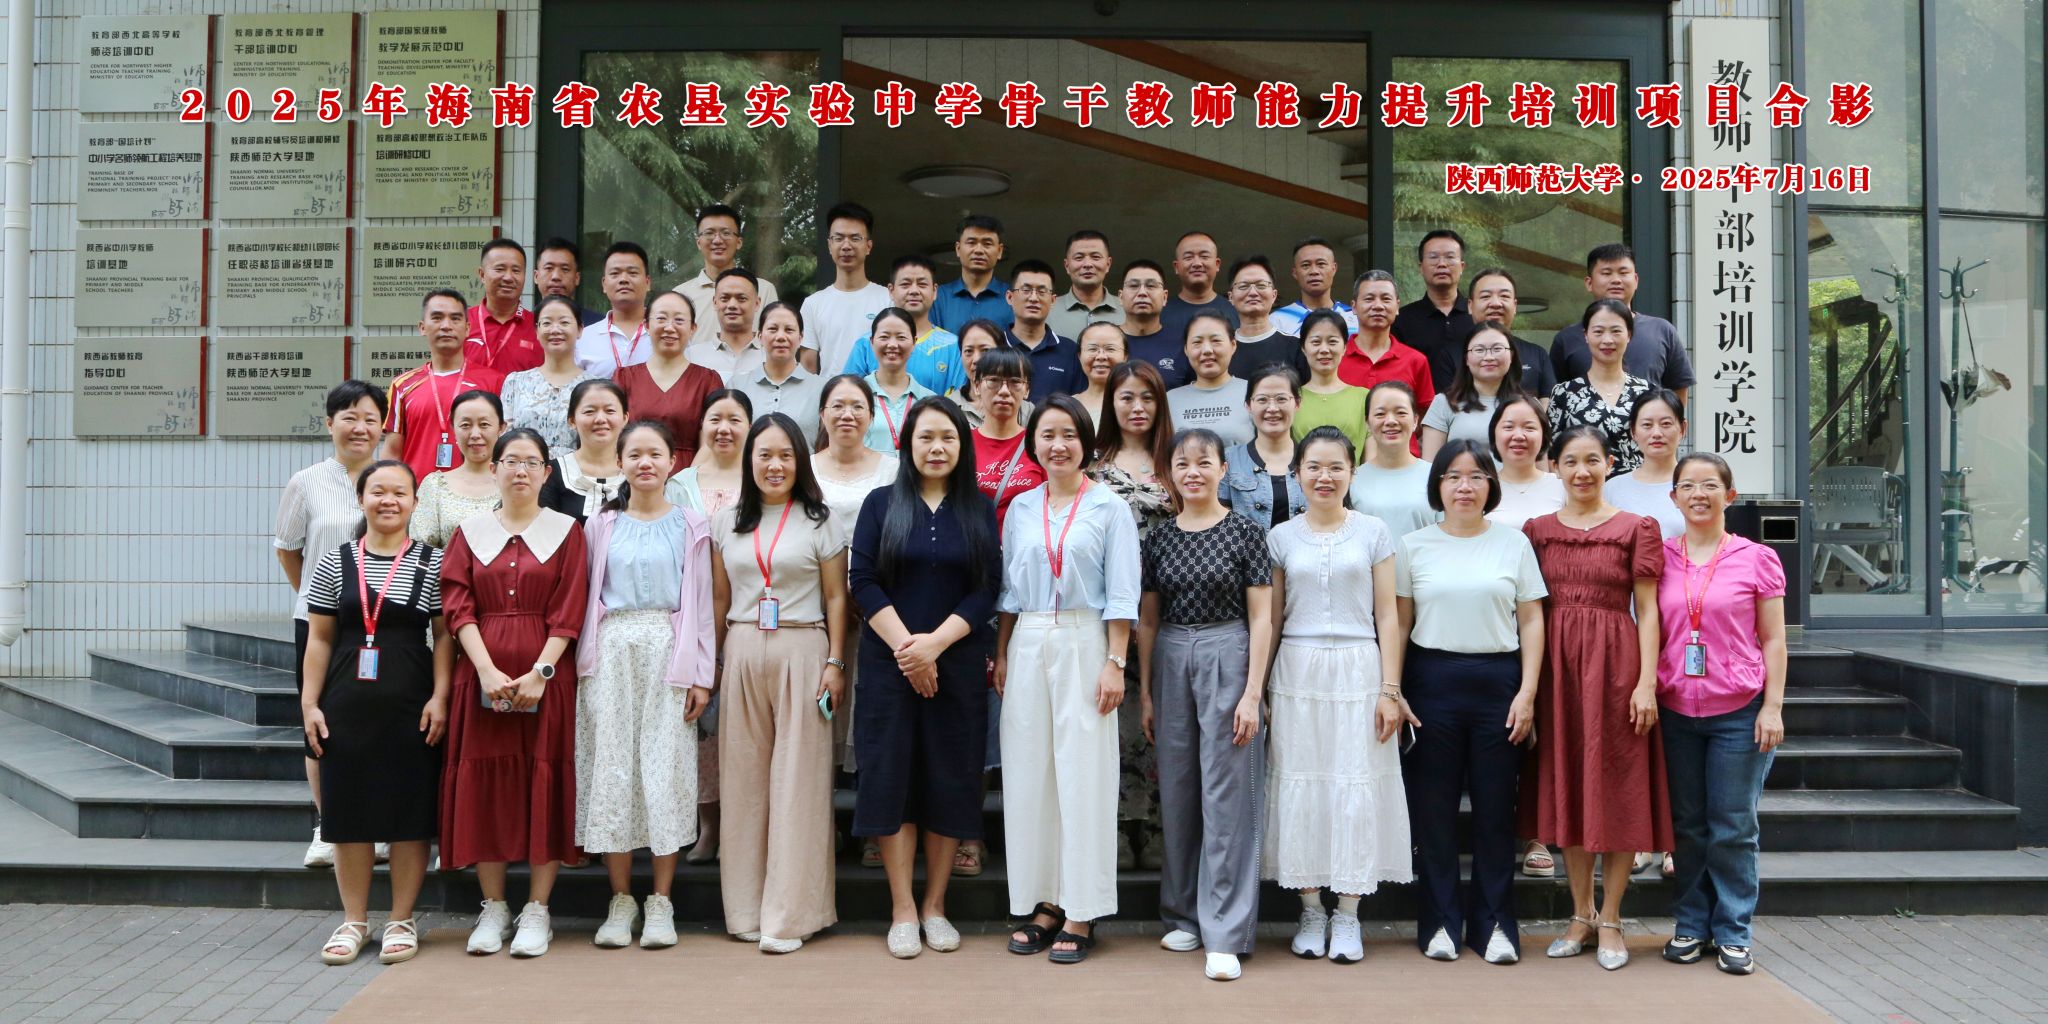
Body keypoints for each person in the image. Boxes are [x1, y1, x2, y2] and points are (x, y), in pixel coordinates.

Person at [849, 397, 1003, 958]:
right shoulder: (880, 504)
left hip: (956, 665)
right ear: (906, 444)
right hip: (889, 665)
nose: (937, 448)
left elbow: (987, 588)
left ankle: (935, 905)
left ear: (963, 446)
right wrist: (909, 651)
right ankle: (902, 909)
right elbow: (863, 580)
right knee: (892, 778)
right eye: (926, 438)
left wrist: (935, 644)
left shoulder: (979, 506)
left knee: (950, 780)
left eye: (948, 438)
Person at [997, 395, 1140, 966]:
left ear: (1086, 443)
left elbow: (1123, 591)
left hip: (1086, 639)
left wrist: (1116, 661)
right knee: (1031, 774)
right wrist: (1002, 653)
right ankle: (1045, 901)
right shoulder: (1021, 508)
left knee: (1084, 775)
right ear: (1033, 443)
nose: (1058, 446)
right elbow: (1009, 591)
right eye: (1047, 435)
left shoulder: (1110, 507)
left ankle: (1082, 907)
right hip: (1029, 638)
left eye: (1069, 435)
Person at [1263, 426, 1413, 964]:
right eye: (1314, 467)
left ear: (1352, 473)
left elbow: (1388, 615)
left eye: (1335, 467)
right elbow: (1271, 619)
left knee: (1356, 785)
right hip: (1297, 670)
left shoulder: (1373, 531)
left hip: (1359, 668)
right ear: (1297, 473)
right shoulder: (1280, 537)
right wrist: (1259, 688)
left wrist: (1390, 688)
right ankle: (1310, 909)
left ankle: (1348, 913)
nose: (1324, 477)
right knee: (1300, 783)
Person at [1394, 439, 1546, 965]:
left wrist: (1528, 692)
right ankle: (1439, 922)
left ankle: (1495, 925)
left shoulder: (1513, 544)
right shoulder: (1412, 545)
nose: (1465, 486)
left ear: (1491, 485)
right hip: (1431, 681)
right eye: (1453, 476)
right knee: (1434, 811)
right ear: (1437, 485)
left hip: (1498, 683)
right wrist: (1395, 689)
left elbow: (1531, 620)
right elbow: (1400, 623)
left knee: (1495, 810)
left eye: (1476, 476)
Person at [1524, 426, 1670, 971]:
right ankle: (1580, 913)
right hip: (1556, 669)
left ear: (1610, 463)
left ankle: (1612, 917)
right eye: (1570, 461)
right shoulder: (1537, 531)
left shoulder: (1636, 527)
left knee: (1618, 784)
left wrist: (1647, 682)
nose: (1581, 471)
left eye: (1592, 460)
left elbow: (1648, 610)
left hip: (1616, 668)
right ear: (1555, 467)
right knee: (1568, 782)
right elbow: (1529, 610)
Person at [440, 428, 589, 959]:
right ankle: (495, 906)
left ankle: (538, 909)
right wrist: (484, 670)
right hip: (481, 678)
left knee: (543, 780)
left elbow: (570, 608)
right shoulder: (469, 532)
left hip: (548, 678)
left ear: (547, 472)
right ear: (494, 469)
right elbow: (457, 606)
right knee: (488, 788)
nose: (520, 470)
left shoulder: (567, 532)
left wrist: (539, 672)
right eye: (510, 461)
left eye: (531, 462)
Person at [1136, 428, 1274, 982]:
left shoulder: (1246, 533)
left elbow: (1262, 616)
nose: (1192, 472)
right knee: (1178, 789)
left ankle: (1225, 930)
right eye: (1182, 463)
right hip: (1171, 653)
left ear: (1223, 469)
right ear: (1170, 472)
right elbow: (1148, 619)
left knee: (1226, 793)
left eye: (1203, 462)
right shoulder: (1159, 539)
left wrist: (1253, 692)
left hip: (1228, 650)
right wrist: (1145, 691)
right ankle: (1184, 913)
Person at [301, 459, 450, 966]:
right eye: (378, 491)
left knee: (410, 814)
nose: (389, 501)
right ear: (361, 499)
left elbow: (445, 637)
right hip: (345, 701)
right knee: (349, 813)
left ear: (415, 502)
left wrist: (441, 697)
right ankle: (354, 920)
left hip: (412, 701)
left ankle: (402, 919)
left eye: (400, 492)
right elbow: (320, 639)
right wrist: (309, 704)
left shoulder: (432, 562)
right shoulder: (335, 561)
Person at [711, 414, 851, 954]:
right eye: (764, 454)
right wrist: (714, 662)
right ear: (749, 460)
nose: (775, 465)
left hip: (803, 646)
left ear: (801, 461)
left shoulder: (821, 521)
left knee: (799, 784)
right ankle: (745, 910)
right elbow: (720, 598)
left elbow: (837, 597)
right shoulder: (727, 522)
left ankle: (791, 916)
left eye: (786, 455)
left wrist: (835, 662)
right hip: (743, 646)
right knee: (743, 783)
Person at [574, 420, 716, 951]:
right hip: (610, 651)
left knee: (665, 770)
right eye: (634, 454)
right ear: (620, 462)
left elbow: (702, 605)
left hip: (668, 652)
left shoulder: (692, 524)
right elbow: (585, 596)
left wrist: (702, 675)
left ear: (673, 461)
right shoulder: (599, 525)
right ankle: (620, 900)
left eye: (655, 453)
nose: (645, 463)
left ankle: (660, 900)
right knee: (612, 769)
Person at [1656, 453, 1787, 977]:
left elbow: (1774, 639)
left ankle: (1734, 932)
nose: (1699, 495)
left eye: (1710, 485)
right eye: (1688, 486)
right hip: (1674, 710)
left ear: (1729, 496)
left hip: (1739, 710)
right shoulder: (1659, 558)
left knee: (1733, 826)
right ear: (1674, 498)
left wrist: (1773, 706)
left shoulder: (1757, 558)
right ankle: (1691, 924)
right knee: (1687, 826)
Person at [276, 380, 388, 869]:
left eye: (370, 418)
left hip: (384, 625)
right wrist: (319, 598)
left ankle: (378, 824)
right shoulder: (306, 482)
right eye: (349, 417)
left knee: (379, 725)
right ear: (329, 424)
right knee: (319, 723)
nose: (360, 427)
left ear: (383, 426)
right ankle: (328, 825)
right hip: (320, 625)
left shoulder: (395, 479)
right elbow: (287, 549)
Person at [1087, 359, 1175, 872]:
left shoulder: (1176, 461)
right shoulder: (1093, 467)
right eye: (1127, 397)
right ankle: (1119, 827)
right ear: (1111, 403)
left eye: (1147, 397)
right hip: (1110, 613)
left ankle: (1161, 827)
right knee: (1115, 722)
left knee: (1162, 718)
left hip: (1172, 610)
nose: (1137, 407)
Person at [670, 389, 752, 865]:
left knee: (740, 727)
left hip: (748, 615)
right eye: (715, 419)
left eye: (735, 419)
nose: (724, 428)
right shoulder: (678, 484)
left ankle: (743, 827)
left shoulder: (763, 477)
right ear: (701, 426)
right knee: (700, 729)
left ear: (750, 427)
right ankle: (708, 826)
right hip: (690, 616)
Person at [382, 289, 506, 482]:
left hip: (476, 492)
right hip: (417, 494)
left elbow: (504, 447)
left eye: (455, 319)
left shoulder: (495, 381)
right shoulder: (402, 385)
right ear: (422, 327)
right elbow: (392, 452)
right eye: (437, 318)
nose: (446, 326)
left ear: (467, 328)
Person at [1547, 244, 1695, 401]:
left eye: (1623, 273)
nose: (1616, 280)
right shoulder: (1566, 339)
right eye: (1606, 273)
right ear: (1589, 283)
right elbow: (1556, 397)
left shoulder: (1662, 330)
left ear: (1636, 280)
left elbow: (1678, 391)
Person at [537, 380, 681, 521]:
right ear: (572, 420)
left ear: (625, 418)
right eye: (589, 411)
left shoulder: (641, 470)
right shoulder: (552, 473)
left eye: (610, 411)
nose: (600, 419)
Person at [617, 291, 724, 466]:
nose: (669, 327)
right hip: (636, 473)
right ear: (646, 325)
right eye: (661, 318)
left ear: (692, 328)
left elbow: (711, 441)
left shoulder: (708, 381)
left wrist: (686, 479)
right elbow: (615, 436)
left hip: (691, 473)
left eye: (679, 320)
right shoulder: (624, 378)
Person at [1549, 299, 1654, 473]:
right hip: (1582, 484)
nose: (1607, 340)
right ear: (1586, 335)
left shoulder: (1647, 393)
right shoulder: (1564, 393)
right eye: (1598, 331)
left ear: (1629, 335)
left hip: (1638, 486)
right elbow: (1553, 454)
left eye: (1616, 331)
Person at [840, 255, 965, 395]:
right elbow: (847, 395)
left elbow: (961, 400)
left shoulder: (953, 346)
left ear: (935, 291)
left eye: (922, 284)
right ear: (891, 290)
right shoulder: (866, 344)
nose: (914, 291)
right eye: (905, 284)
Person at [1337, 271, 1436, 431]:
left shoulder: (1416, 360)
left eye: (1386, 299)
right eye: (1369, 299)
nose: (1378, 306)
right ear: (1354, 306)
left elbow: (1426, 415)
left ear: (1397, 306)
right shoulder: (1336, 358)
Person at [802, 201, 891, 378]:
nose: (846, 246)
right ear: (829, 245)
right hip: (830, 394)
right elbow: (808, 366)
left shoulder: (888, 300)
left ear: (868, 246)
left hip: (876, 394)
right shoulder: (813, 304)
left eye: (855, 238)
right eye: (839, 238)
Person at [500, 295, 598, 455]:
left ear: (580, 329)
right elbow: (504, 441)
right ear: (536, 331)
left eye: (564, 322)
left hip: (576, 470)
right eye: (546, 323)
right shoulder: (515, 382)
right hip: (525, 468)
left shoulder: (595, 386)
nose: (555, 330)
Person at [676, 204, 782, 350]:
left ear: (739, 242)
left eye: (726, 233)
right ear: (698, 242)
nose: (717, 240)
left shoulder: (763, 290)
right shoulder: (680, 294)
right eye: (709, 233)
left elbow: (774, 341)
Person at [409, 390, 505, 548]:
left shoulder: (516, 482)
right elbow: (421, 549)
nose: (475, 434)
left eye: (484, 424)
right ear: (453, 428)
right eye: (465, 425)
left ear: (501, 428)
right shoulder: (435, 486)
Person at [1420, 321, 1525, 460]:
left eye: (1497, 349)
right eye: (1479, 350)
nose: (1489, 357)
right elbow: (1430, 465)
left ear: (1511, 355)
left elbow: (1542, 468)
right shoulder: (1444, 403)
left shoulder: (1528, 405)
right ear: (1466, 359)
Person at [968, 347, 1045, 531]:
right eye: (993, 381)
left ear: (1027, 389)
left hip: (1026, 547)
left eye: (1015, 382)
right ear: (977, 386)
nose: (1004, 391)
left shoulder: (1040, 445)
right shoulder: (961, 444)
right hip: (974, 546)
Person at [1349, 382, 1440, 535]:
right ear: (1367, 423)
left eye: (1400, 413)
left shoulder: (1435, 477)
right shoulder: (1352, 481)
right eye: (1380, 414)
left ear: (1415, 421)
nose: (1390, 421)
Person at [1221, 366, 1306, 529]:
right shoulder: (1229, 461)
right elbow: (1219, 527)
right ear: (1248, 405)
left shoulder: (1313, 459)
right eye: (1262, 400)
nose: (1272, 408)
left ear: (1297, 403)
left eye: (1281, 399)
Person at [735, 302, 827, 449]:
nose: (781, 336)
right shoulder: (737, 386)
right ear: (760, 336)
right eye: (773, 329)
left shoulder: (822, 388)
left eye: (789, 330)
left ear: (801, 338)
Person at [1392, 229, 1473, 392]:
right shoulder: (1402, 319)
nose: (1442, 264)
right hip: (1420, 405)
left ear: (1462, 266)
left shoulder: (1478, 315)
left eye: (1450, 257)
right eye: (1433, 257)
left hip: (1474, 404)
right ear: (1421, 267)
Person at [1605, 390, 1689, 540]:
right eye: (1647, 425)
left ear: (1682, 429)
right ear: (1633, 431)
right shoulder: (1612, 489)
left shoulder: (1696, 487)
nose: (1656, 433)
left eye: (1666, 424)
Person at [1467, 266, 1557, 398]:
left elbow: (1548, 401)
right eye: (1486, 296)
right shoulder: (1451, 354)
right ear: (1470, 306)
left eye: (1504, 296)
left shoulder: (1537, 354)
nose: (1496, 303)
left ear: (1515, 306)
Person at [1002, 259, 1085, 403]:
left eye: (1042, 291)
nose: (1034, 298)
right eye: (1026, 290)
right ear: (1010, 297)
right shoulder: (994, 345)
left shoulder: (1070, 351)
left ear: (1053, 300)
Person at [1166, 314, 1254, 447]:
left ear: (1233, 345)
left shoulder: (1253, 392)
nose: (1207, 350)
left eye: (1216, 340)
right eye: (1197, 342)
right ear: (1186, 350)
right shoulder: (1170, 399)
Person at [861, 308, 940, 453]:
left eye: (901, 337)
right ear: (871, 342)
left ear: (914, 342)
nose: (892, 344)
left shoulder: (930, 400)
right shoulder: (856, 396)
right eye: (884, 337)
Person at [1292, 310, 1369, 452]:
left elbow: (1371, 458)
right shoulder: (1291, 399)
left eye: (1332, 341)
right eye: (1316, 342)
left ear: (1344, 347)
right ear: (1303, 348)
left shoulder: (1365, 398)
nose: (1324, 349)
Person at [573, 241, 653, 378]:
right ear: (604, 284)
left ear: (647, 282)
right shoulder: (582, 339)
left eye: (633, 273)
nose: (623, 279)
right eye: (615, 273)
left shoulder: (666, 333)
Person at [1487, 396, 1566, 532]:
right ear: (1494, 433)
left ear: (1544, 435)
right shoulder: (1482, 487)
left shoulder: (1563, 486)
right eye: (1508, 427)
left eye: (1529, 428)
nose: (1518, 436)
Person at [466, 238, 543, 375]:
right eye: (500, 269)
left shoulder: (539, 327)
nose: (508, 277)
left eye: (516, 271)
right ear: (482, 274)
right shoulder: (461, 322)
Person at [1226, 255, 1308, 380]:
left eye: (1261, 285)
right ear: (1231, 297)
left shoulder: (1296, 348)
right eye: (1243, 286)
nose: (1253, 293)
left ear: (1274, 295)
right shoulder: (1221, 350)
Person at [685, 268, 768, 384]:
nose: (732, 305)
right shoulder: (691, 357)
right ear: (715, 302)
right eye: (725, 298)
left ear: (757, 303)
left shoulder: (771, 356)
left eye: (741, 299)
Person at [931, 214, 1013, 331]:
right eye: (971, 242)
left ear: (999, 251)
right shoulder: (937, 297)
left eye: (987, 244)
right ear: (958, 249)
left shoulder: (1014, 298)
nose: (978, 250)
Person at [1119, 259, 1191, 389]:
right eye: (1133, 285)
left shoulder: (1183, 345)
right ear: (1120, 297)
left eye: (1151, 286)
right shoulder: (1105, 342)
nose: (1142, 292)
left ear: (1164, 297)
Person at [1159, 231, 1238, 344]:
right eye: (1188, 257)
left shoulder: (1235, 311)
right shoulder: (1160, 313)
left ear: (1217, 264)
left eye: (1204, 256)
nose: (1197, 263)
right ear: (1176, 267)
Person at [1271, 236, 1358, 336]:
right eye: (1306, 265)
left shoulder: (1355, 318)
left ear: (1334, 269)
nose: (1314, 271)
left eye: (1321, 264)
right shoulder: (1277, 321)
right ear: (1295, 273)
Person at [957, 319, 1034, 432]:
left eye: (985, 350)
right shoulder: (949, 406)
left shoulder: (1027, 411)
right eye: (968, 351)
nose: (976, 359)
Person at [1047, 229, 1123, 338]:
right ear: (1067, 265)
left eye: (1095, 257)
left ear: (1108, 264)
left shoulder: (1127, 309)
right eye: (1079, 258)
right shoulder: (1047, 309)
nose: (1087, 264)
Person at [533, 237, 602, 326]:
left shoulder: (598, 326)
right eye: (549, 268)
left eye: (565, 269)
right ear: (536, 276)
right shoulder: (523, 325)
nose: (556, 276)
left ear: (577, 278)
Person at [1071, 322, 1126, 429]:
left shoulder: (1137, 405)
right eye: (1092, 349)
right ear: (1079, 356)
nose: (1101, 356)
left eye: (1110, 349)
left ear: (1125, 356)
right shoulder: (1067, 406)